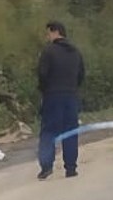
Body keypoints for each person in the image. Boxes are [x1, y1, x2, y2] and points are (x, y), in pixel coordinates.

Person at [36, 20, 85, 180]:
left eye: (48, 33)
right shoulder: (76, 52)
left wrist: (45, 90)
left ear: (55, 32)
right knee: (70, 131)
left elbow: (42, 74)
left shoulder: (49, 51)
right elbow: (81, 75)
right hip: (71, 96)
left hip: (53, 96)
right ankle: (71, 168)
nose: (47, 36)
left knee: (49, 131)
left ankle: (46, 167)